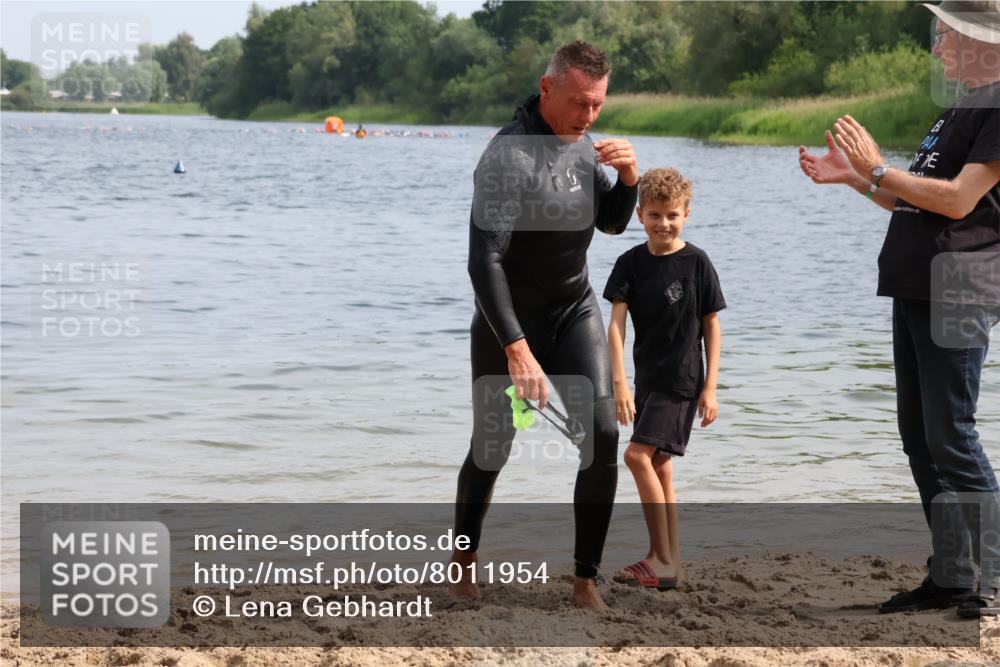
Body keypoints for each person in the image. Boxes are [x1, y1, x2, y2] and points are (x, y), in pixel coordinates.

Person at [799, 0, 1000, 617]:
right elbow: (916, 201)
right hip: (917, 285)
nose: (936, 47)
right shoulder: (959, 110)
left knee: (952, 435)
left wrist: (879, 167)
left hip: (959, 286)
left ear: (979, 40)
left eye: (944, 35)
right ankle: (952, 576)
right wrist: (859, 180)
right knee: (920, 437)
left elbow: (959, 200)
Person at [451, 40, 639, 609]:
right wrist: (516, 348)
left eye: (598, 104)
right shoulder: (507, 156)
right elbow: (483, 262)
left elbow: (610, 224)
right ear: (546, 88)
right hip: (508, 320)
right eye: (579, 102)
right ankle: (463, 559)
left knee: (602, 436)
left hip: (573, 310)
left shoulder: (582, 149)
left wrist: (629, 178)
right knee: (492, 446)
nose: (589, 116)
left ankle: (585, 580)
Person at [603, 168, 725, 589]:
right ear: (640, 214)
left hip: (682, 379)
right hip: (647, 379)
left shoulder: (697, 262)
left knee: (637, 457)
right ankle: (673, 563)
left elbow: (711, 325)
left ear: (686, 214)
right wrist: (620, 383)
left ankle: (660, 558)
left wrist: (710, 387)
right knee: (659, 465)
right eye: (654, 215)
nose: (663, 223)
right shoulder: (630, 263)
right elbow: (616, 326)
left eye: (672, 215)